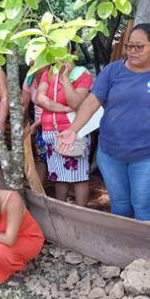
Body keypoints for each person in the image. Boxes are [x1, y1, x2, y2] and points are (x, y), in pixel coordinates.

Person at [57, 23, 150, 221]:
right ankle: (124, 249)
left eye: (139, 46)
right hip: (111, 154)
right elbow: (92, 101)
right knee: (121, 206)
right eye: (129, 46)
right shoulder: (112, 71)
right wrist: (73, 130)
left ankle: (149, 249)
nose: (133, 51)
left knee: (143, 205)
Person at [36, 53, 94, 206]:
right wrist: (63, 108)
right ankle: (61, 209)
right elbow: (40, 98)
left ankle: (82, 212)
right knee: (58, 174)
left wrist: (66, 79)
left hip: (72, 131)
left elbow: (75, 102)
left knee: (79, 174)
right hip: (49, 131)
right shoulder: (48, 73)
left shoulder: (82, 74)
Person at [20, 65, 48, 183]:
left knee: (56, 159)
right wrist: (22, 124)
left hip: (55, 124)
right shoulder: (30, 78)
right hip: (39, 124)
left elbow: (54, 109)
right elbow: (24, 104)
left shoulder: (52, 76)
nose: (32, 64)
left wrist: (35, 125)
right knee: (40, 157)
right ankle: (39, 190)